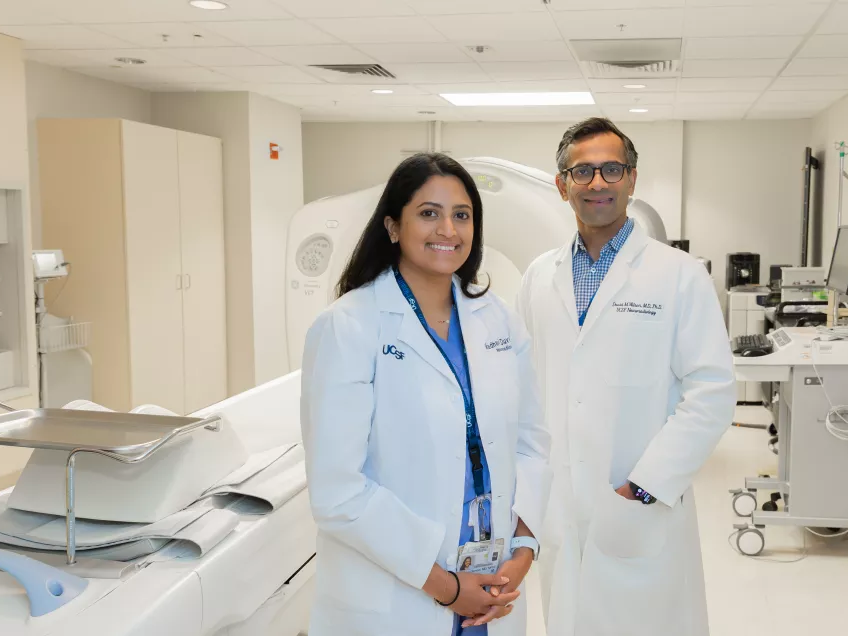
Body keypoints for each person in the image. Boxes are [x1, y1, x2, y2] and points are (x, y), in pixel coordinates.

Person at [301, 153, 551, 636]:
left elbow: (532, 442)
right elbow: (338, 492)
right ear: (393, 226)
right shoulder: (350, 326)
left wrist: (522, 551)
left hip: (491, 587)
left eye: (462, 215)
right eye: (429, 213)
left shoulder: (497, 319)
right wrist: (448, 587)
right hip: (401, 594)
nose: (448, 230)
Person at [516, 118, 736, 636]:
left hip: (640, 498)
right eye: (583, 171)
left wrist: (643, 487)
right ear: (561, 184)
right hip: (561, 501)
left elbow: (713, 393)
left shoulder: (679, 274)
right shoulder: (537, 276)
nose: (598, 183)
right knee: (567, 617)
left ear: (632, 180)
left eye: (611, 169)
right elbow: (525, 389)